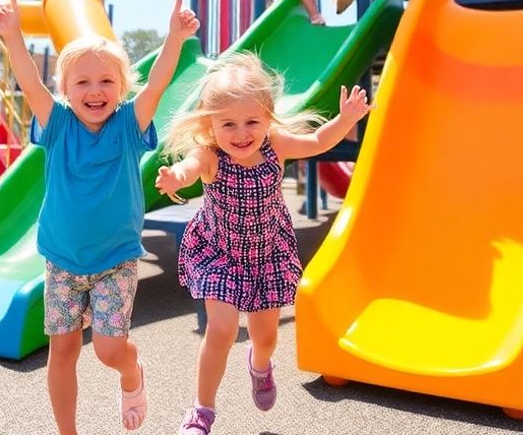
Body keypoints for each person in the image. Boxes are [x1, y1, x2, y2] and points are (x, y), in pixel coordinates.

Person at [0, 0, 200, 435]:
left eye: (106, 81)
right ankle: (68, 431)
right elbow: (30, 82)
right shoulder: (58, 123)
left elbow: (158, 84)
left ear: (121, 89)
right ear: (65, 90)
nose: (95, 90)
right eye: (82, 83)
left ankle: (131, 371)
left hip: (114, 259)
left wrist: (175, 39)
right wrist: (13, 37)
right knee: (61, 350)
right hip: (62, 258)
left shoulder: (128, 125)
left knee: (107, 350)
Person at [154, 53, 372, 435]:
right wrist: (176, 177)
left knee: (266, 337)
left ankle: (260, 365)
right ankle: (201, 411)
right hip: (220, 255)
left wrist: (347, 120)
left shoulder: (277, 145)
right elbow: (189, 168)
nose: (241, 133)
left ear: (268, 118)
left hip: (266, 255)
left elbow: (319, 141)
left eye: (252, 121)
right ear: (210, 125)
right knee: (220, 331)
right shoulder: (210, 155)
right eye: (229, 124)